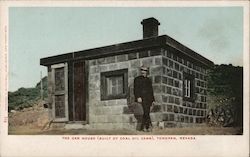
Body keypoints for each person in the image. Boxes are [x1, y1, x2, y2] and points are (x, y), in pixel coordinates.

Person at [134, 65, 155, 132]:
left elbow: (151, 90)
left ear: (147, 71)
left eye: (145, 70)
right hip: (142, 98)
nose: (143, 71)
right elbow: (136, 89)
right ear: (140, 71)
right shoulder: (137, 79)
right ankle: (148, 126)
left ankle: (142, 127)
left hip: (149, 98)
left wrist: (153, 100)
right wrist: (138, 97)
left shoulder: (149, 80)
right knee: (146, 112)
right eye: (142, 70)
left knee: (147, 112)